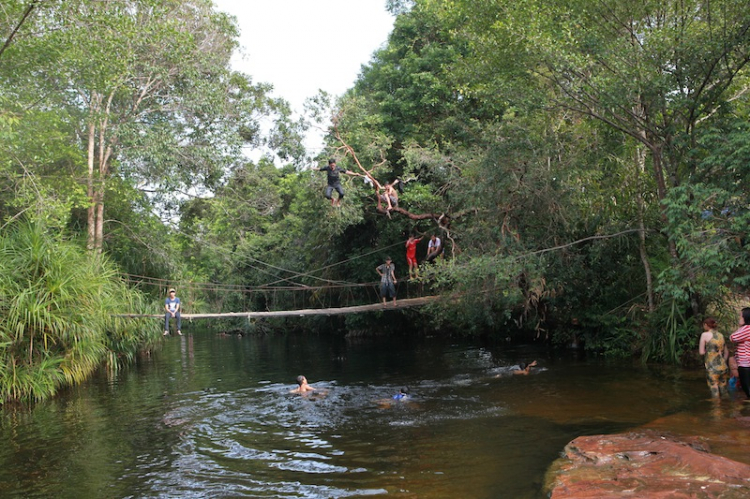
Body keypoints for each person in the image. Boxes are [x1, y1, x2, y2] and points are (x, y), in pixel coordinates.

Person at [698, 317, 729, 398]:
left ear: (706, 325)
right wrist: (723, 361)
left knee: (715, 393)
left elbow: (701, 352)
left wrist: (709, 352)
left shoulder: (704, 335)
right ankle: (728, 406)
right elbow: (726, 352)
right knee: (724, 391)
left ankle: (717, 410)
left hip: (712, 368)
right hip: (723, 367)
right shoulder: (721, 335)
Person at [730, 307, 750, 399]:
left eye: (740, 316)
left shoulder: (747, 329)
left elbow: (733, 338)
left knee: (747, 387)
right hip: (746, 362)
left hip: (746, 363)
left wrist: (739, 329)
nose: (739, 318)